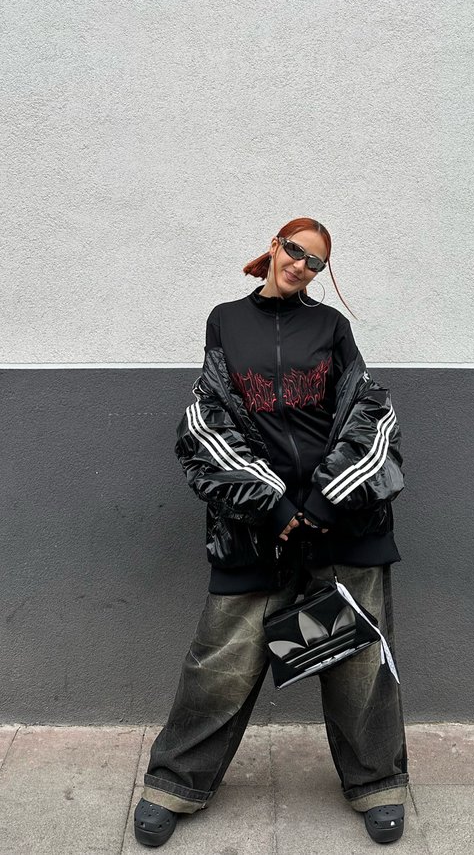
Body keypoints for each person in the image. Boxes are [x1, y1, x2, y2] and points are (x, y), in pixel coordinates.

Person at [134, 217, 409, 847]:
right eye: (294, 251)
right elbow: (207, 420)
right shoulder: (225, 321)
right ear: (273, 247)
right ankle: (175, 783)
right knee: (221, 662)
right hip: (257, 530)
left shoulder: (332, 329)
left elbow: (372, 414)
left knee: (358, 662)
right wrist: (276, 507)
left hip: (341, 526)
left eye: (316, 262)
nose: (301, 266)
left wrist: (323, 500)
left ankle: (376, 785)